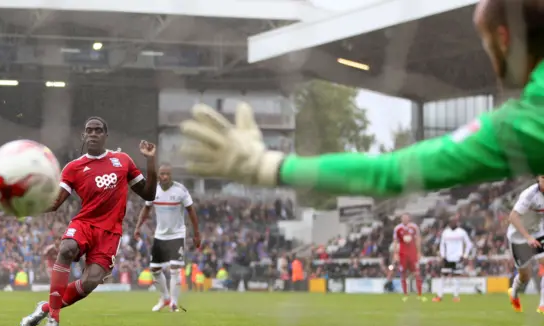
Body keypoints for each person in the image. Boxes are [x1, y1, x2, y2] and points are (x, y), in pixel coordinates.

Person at [178, 0, 544, 196]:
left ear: (504, 39)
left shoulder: (527, 120)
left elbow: (391, 173)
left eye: (486, 44)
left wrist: (265, 165)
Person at [20, 117, 158, 326]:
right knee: (66, 249)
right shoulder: (73, 168)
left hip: (110, 232)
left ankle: (46, 307)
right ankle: (53, 319)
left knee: (90, 282)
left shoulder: (123, 161)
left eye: (98, 130)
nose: (93, 134)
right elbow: (56, 202)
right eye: (89, 130)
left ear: (106, 135)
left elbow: (149, 193)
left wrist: (150, 161)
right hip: (85, 223)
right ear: (84, 135)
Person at [134, 164, 200, 312]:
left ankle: (174, 303)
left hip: (177, 234)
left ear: (171, 176)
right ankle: (165, 298)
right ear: (158, 175)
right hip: (160, 234)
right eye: (162, 174)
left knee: (175, 268)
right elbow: (146, 208)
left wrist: (197, 233)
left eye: (167, 174)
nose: (164, 177)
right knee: (155, 269)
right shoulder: (153, 191)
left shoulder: (180, 190)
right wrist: (138, 227)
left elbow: (191, 211)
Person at [506, 176, 544, 313]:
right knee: (524, 276)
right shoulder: (530, 194)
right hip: (519, 237)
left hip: (538, 233)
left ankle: (542, 305)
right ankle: (514, 293)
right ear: (538, 179)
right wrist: (527, 237)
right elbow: (513, 217)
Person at [432, 216, 473, 303]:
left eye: (454, 221)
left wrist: (465, 255)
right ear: (449, 223)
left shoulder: (461, 232)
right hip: (447, 258)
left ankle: (456, 296)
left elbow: (469, 244)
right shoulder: (445, 232)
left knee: (456, 278)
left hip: (457, 258)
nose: (452, 223)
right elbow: (442, 245)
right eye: (451, 222)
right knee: (443, 277)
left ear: (457, 222)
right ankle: (439, 296)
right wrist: (443, 256)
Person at [393, 214, 425, 302]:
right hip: (402, 253)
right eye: (403, 218)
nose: (405, 219)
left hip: (412, 253)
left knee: (417, 273)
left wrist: (418, 252)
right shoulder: (397, 228)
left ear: (409, 218)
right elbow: (395, 241)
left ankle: (419, 294)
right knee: (403, 274)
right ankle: (405, 295)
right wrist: (395, 254)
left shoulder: (414, 227)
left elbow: (418, 239)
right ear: (401, 219)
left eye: (406, 218)